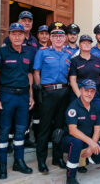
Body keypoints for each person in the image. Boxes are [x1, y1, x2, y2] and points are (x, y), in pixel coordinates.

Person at [69, 34, 100, 173]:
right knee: (81, 126)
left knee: (96, 124)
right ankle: (80, 161)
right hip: (80, 96)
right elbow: (72, 80)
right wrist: (81, 97)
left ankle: (93, 152)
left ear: (91, 45)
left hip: (96, 97)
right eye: (83, 43)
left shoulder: (98, 60)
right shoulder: (75, 61)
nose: (86, 45)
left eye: (89, 43)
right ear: (80, 45)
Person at [0, 23, 35, 179]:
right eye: (14, 34)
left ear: (25, 36)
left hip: (23, 97)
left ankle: (19, 161)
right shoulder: (2, 52)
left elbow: (30, 76)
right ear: (9, 35)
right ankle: (2, 165)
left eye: (20, 34)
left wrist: (31, 96)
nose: (17, 36)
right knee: (4, 131)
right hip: (6, 95)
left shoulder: (28, 53)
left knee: (20, 130)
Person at [33, 22, 72, 173]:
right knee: (45, 128)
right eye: (55, 35)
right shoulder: (42, 52)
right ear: (49, 37)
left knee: (60, 128)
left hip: (63, 93)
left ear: (65, 38)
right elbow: (36, 72)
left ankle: (57, 157)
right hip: (47, 93)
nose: (58, 38)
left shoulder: (68, 55)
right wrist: (39, 92)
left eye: (61, 35)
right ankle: (41, 161)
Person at [61, 79, 100, 184]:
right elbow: (72, 130)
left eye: (92, 91)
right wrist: (91, 143)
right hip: (69, 140)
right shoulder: (73, 107)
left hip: (86, 141)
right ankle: (70, 176)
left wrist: (91, 146)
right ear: (81, 90)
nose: (89, 94)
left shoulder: (95, 108)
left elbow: (97, 129)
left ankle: (83, 161)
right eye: (87, 90)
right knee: (76, 142)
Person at [3, 10, 38, 148]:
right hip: (13, 83)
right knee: (12, 113)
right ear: (19, 22)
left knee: (28, 111)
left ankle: (25, 136)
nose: (27, 22)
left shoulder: (34, 41)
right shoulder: (10, 39)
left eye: (29, 20)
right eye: (24, 20)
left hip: (30, 79)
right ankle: (10, 140)